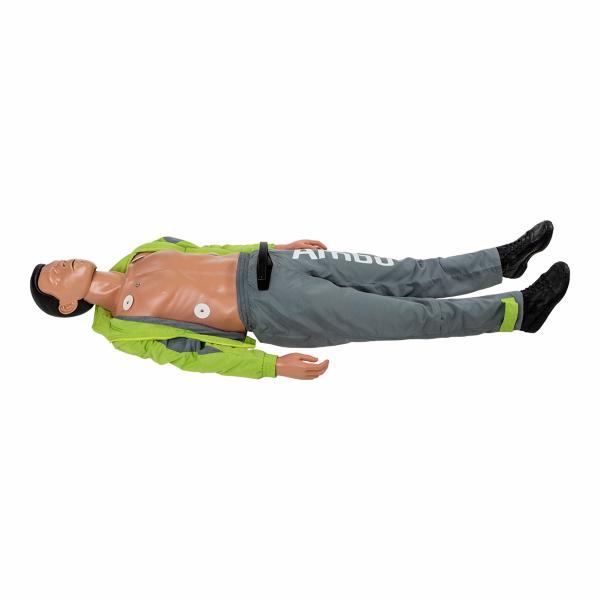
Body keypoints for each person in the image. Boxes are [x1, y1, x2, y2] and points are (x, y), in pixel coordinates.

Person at [30, 222, 569, 381]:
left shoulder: (146, 251)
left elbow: (215, 251)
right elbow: (196, 356)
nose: (56, 267)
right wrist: (271, 366)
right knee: (405, 316)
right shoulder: (124, 329)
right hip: (273, 310)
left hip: (278, 263)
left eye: (52, 262)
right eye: (49, 280)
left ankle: (500, 262)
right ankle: (519, 311)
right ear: (66, 307)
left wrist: (279, 246)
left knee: (404, 273)